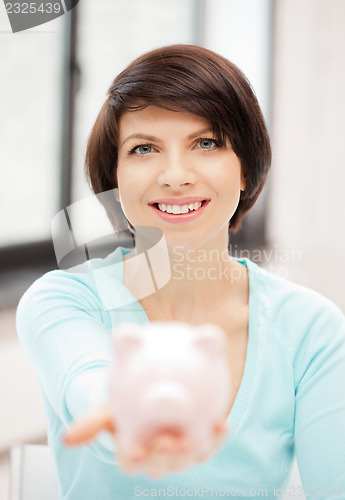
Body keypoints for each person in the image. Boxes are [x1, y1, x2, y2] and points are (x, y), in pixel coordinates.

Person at [16, 45, 345, 499]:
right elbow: (88, 384)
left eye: (206, 143)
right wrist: (128, 415)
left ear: (246, 168)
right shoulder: (64, 301)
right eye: (144, 148)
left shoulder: (313, 331)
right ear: (114, 177)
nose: (175, 176)